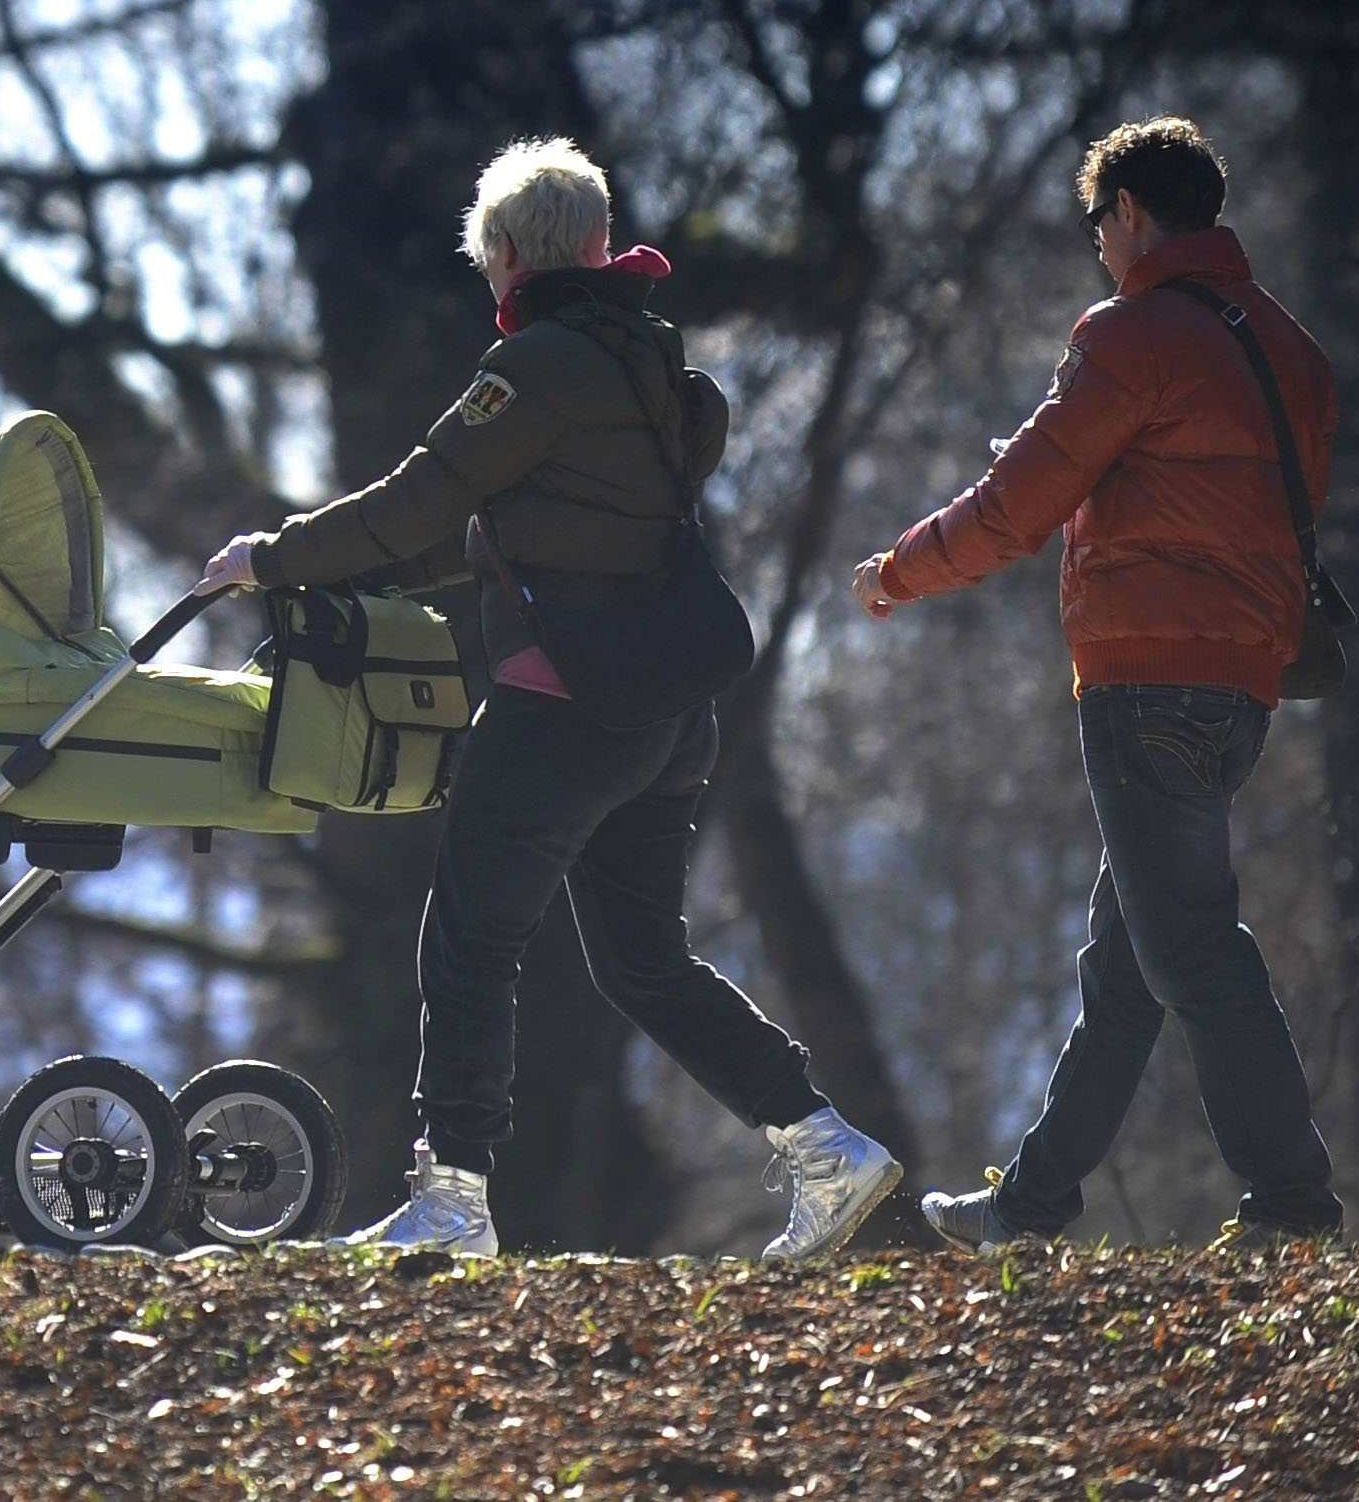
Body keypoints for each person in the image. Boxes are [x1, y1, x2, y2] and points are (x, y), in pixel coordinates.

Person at [201, 138, 902, 1262]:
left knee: (470, 934)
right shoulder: (645, 365)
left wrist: (268, 558)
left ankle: (454, 1201)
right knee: (643, 960)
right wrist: (330, 571)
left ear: (504, 256)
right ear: (596, 242)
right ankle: (826, 1146)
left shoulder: (532, 370)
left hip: (560, 708)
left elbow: (413, 502)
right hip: (665, 710)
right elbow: (496, 538)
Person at [849, 115, 1345, 1251]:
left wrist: (898, 573)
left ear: (1127, 211)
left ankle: (1291, 1203)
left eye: (1096, 225)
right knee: (1127, 959)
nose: (1097, 248)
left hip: (1145, 680)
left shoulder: (1131, 338)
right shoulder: (1290, 347)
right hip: (1245, 682)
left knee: (1191, 950)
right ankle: (1028, 1205)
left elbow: (1017, 500)